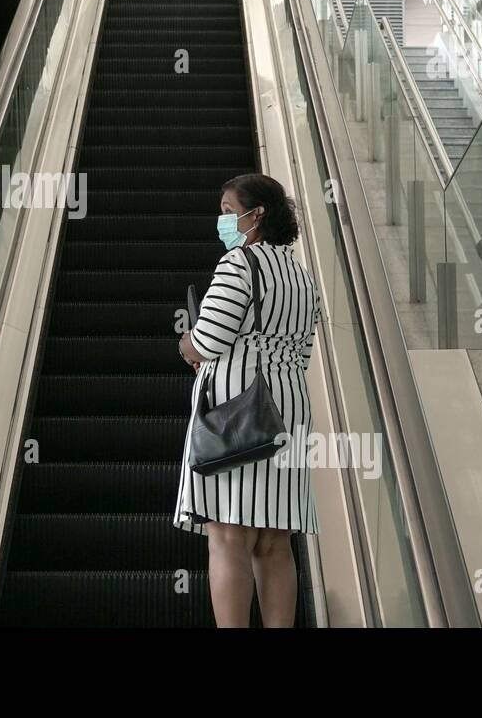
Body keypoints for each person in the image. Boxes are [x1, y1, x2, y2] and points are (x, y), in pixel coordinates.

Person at [175, 172, 321, 627]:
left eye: (227, 212)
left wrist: (186, 343)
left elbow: (209, 340)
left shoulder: (239, 264)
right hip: (288, 408)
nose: (223, 221)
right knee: (274, 540)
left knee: (227, 533)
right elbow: (304, 349)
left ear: (256, 216)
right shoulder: (301, 274)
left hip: (237, 408)